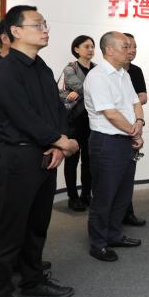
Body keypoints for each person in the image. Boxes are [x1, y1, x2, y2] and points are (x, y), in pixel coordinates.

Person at [0, 5, 79, 297]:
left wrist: (58, 145)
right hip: (17, 160)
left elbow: (56, 110)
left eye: (45, 24)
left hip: (45, 156)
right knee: (8, 233)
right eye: (37, 24)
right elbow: (23, 116)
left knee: (37, 226)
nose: (45, 30)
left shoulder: (41, 67)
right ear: (16, 31)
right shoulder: (4, 71)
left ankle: (32, 282)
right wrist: (63, 142)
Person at [84, 32, 144, 262]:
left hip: (126, 140)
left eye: (131, 46)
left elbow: (136, 103)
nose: (130, 50)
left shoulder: (123, 74)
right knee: (104, 196)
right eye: (125, 46)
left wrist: (139, 124)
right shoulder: (97, 76)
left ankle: (114, 234)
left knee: (122, 194)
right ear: (109, 50)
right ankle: (98, 244)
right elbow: (110, 113)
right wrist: (133, 131)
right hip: (106, 143)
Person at [62, 35, 96, 212]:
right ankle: (73, 197)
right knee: (72, 159)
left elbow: (85, 89)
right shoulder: (70, 68)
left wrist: (80, 91)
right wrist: (83, 90)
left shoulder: (97, 68)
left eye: (92, 46)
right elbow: (85, 88)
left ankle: (86, 195)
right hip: (74, 120)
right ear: (76, 49)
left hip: (93, 120)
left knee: (89, 160)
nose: (90, 49)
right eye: (86, 46)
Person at [120, 33, 147, 227]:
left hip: (134, 125)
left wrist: (133, 105)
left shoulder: (135, 71)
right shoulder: (103, 73)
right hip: (112, 130)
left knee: (128, 173)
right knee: (112, 176)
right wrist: (133, 101)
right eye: (128, 46)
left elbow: (143, 97)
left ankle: (127, 212)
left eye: (135, 47)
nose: (132, 50)